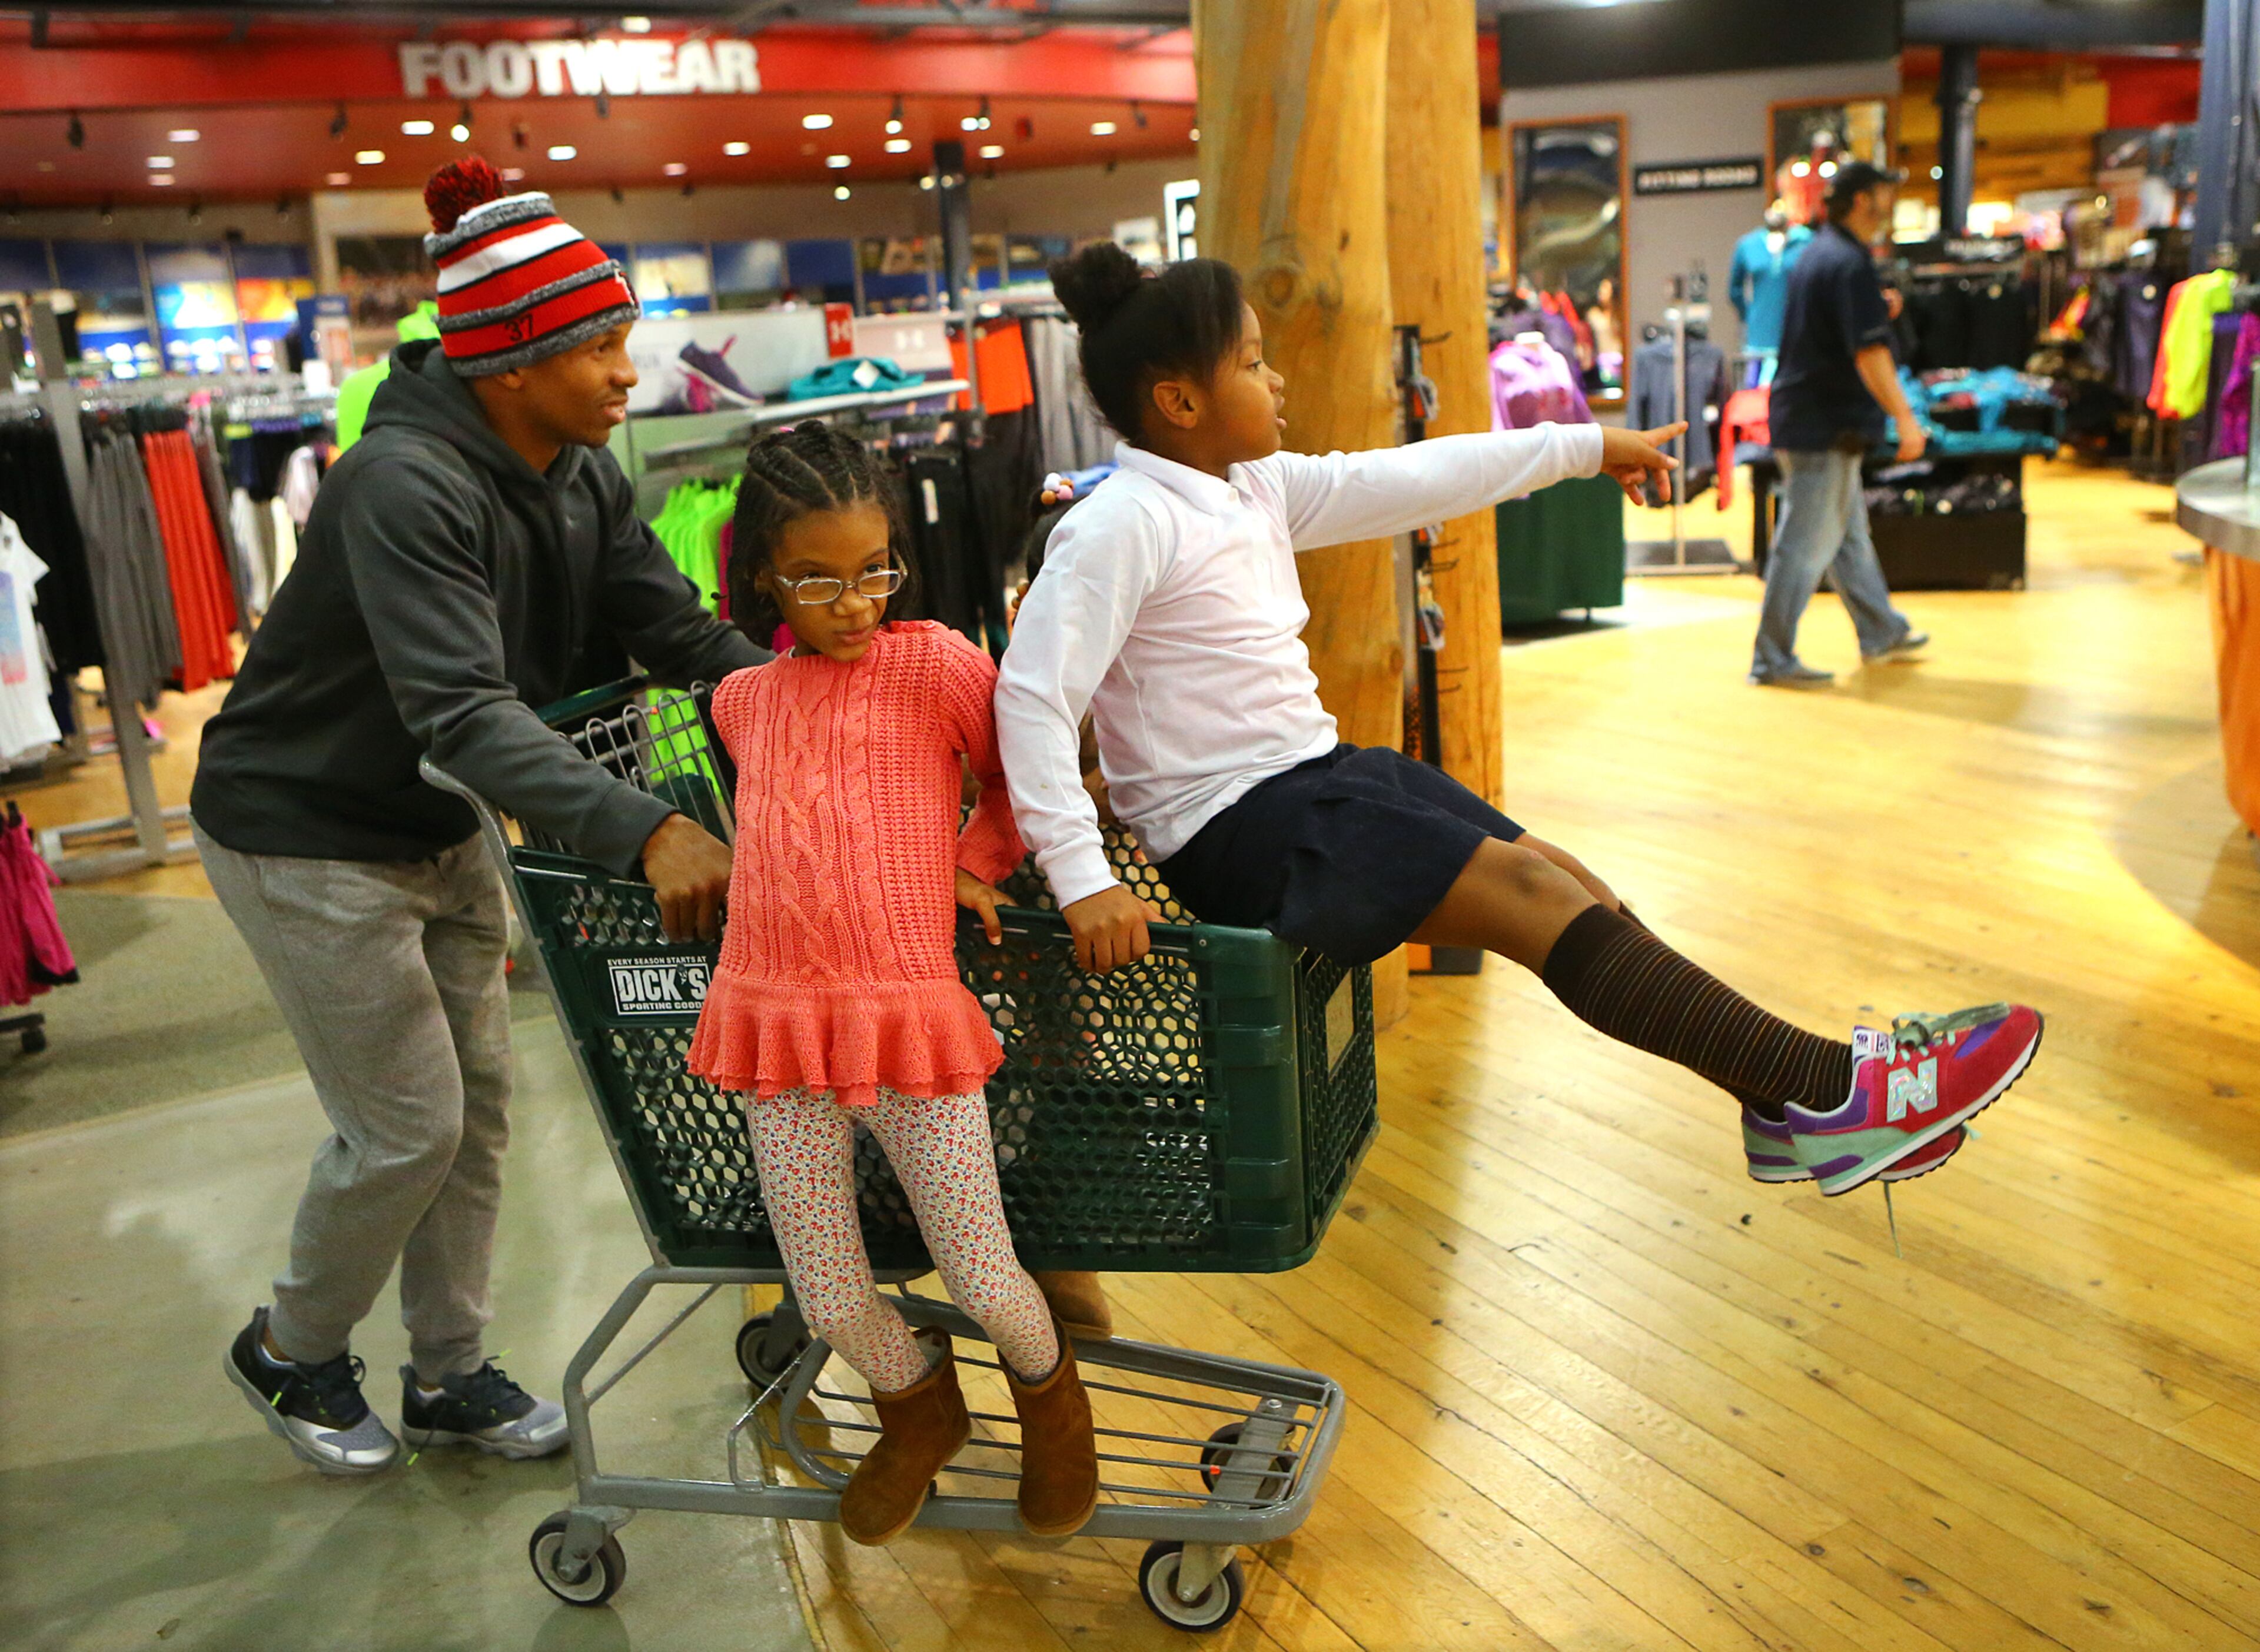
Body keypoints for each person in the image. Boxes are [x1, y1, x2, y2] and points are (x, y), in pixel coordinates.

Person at [997, 243, 2043, 1202]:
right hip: (1239, 828)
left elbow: (1408, 475)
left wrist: (1585, 447)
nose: (1277, 382)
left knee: (1571, 880)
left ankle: (1779, 1104)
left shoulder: (1251, 488)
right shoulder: (1118, 522)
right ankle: (1829, 1091)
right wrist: (1082, 874)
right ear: (1180, 399)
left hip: (1314, 777)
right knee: (1539, 896)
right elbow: (1033, 694)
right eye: (1253, 363)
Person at [192, 158, 764, 1475]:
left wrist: (800, 698)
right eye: (606, 344)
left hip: (444, 824)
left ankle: (448, 1371)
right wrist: (644, 826)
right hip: (305, 826)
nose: (634, 368)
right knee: (407, 1123)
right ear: (515, 362)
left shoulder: (578, 466)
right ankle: (290, 1345)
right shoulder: (407, 483)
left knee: (478, 1108)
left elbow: (665, 621)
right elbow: (459, 710)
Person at [687, 422, 1099, 1548]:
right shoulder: (742, 702)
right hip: (774, 1023)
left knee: (980, 1268)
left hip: (911, 1015)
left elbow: (1021, 787)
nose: (856, 600)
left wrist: (972, 864)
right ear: (763, 571)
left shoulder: (939, 665)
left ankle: (1056, 1404)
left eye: (876, 570)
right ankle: (919, 1411)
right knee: (826, 1295)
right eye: (820, 577)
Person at [1750, 159, 1932, 687]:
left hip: (1817, 422)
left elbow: (1838, 330)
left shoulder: (1825, 254)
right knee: (1804, 545)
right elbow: (1869, 353)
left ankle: (1882, 630)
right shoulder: (1847, 262)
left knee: (1848, 536)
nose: (1889, 203)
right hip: (1821, 428)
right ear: (1860, 201)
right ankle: (1771, 658)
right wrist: (1906, 419)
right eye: (1882, 193)